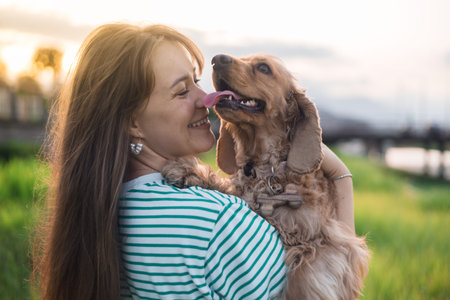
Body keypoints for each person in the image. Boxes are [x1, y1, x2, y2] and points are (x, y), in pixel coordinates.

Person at [33, 23, 354, 300]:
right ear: (132, 122)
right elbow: (336, 288)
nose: (205, 99)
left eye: (197, 82)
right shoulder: (215, 221)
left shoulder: (104, 203)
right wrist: (341, 176)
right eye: (181, 91)